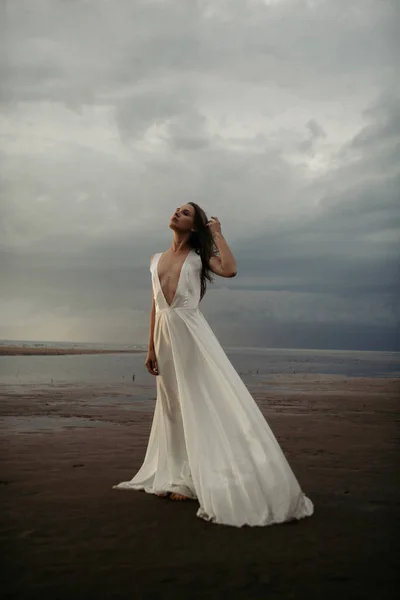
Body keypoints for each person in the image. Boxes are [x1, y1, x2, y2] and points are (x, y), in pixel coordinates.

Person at [113, 202, 314, 527]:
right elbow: (154, 305)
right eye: (177, 209)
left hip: (192, 336)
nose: (177, 213)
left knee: (197, 402)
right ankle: (174, 476)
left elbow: (230, 269)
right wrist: (149, 345)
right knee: (171, 407)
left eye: (186, 213)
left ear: (194, 227)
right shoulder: (154, 260)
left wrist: (218, 235)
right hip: (164, 337)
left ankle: (192, 479)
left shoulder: (199, 257)